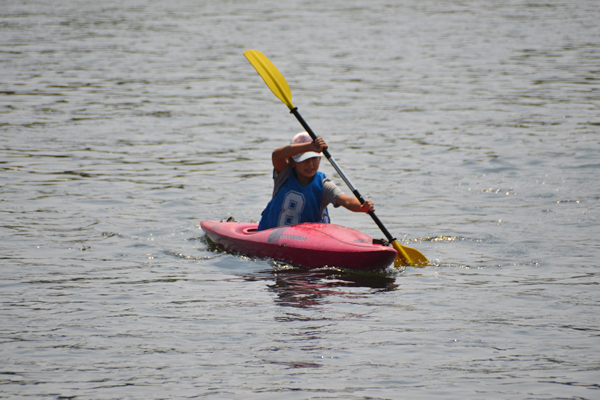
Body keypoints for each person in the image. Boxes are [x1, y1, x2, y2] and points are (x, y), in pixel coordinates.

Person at [257, 132, 375, 231]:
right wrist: (309, 146)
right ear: (292, 162)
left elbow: (347, 201)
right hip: (270, 233)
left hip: (308, 238)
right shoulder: (284, 174)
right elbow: (276, 155)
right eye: (304, 160)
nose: (310, 164)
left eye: (314, 158)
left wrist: (361, 206)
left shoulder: (324, 185)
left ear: (319, 159)